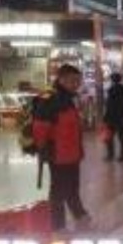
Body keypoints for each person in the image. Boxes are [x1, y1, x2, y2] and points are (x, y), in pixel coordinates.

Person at [33, 64, 92, 232]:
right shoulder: (50, 100)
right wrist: (43, 148)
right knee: (58, 190)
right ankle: (58, 224)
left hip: (72, 152)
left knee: (72, 186)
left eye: (78, 81)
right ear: (61, 80)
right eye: (73, 81)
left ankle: (79, 214)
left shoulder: (69, 99)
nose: (76, 84)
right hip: (58, 154)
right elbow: (40, 127)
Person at [103, 73, 123, 162]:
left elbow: (109, 105)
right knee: (122, 137)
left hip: (112, 117)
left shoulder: (111, 90)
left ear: (112, 80)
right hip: (122, 117)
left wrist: (105, 117)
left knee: (109, 137)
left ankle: (110, 154)